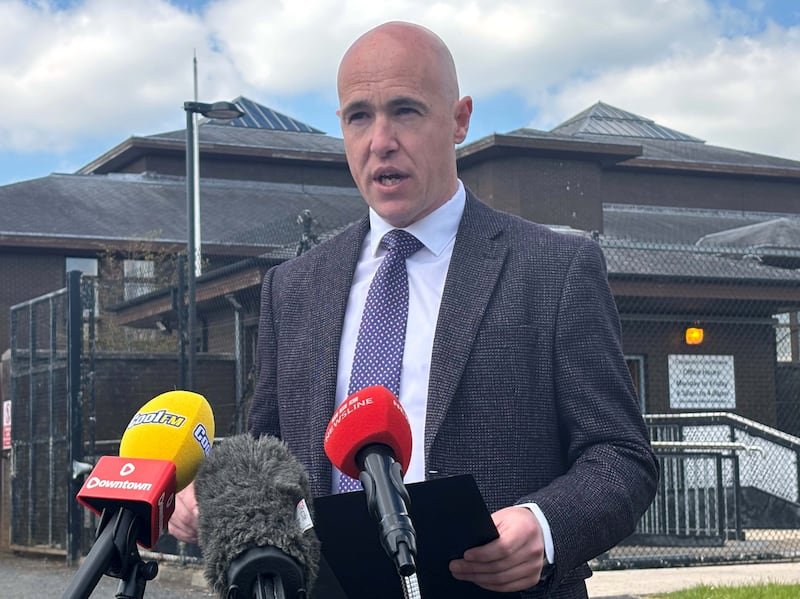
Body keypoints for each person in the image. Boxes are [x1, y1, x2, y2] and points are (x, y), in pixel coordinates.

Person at [170, 21, 658, 598]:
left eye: (405, 111)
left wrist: (545, 526)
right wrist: (220, 495)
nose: (381, 140)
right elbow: (267, 452)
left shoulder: (555, 268)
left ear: (459, 119)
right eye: (359, 116)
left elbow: (621, 457)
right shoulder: (292, 287)